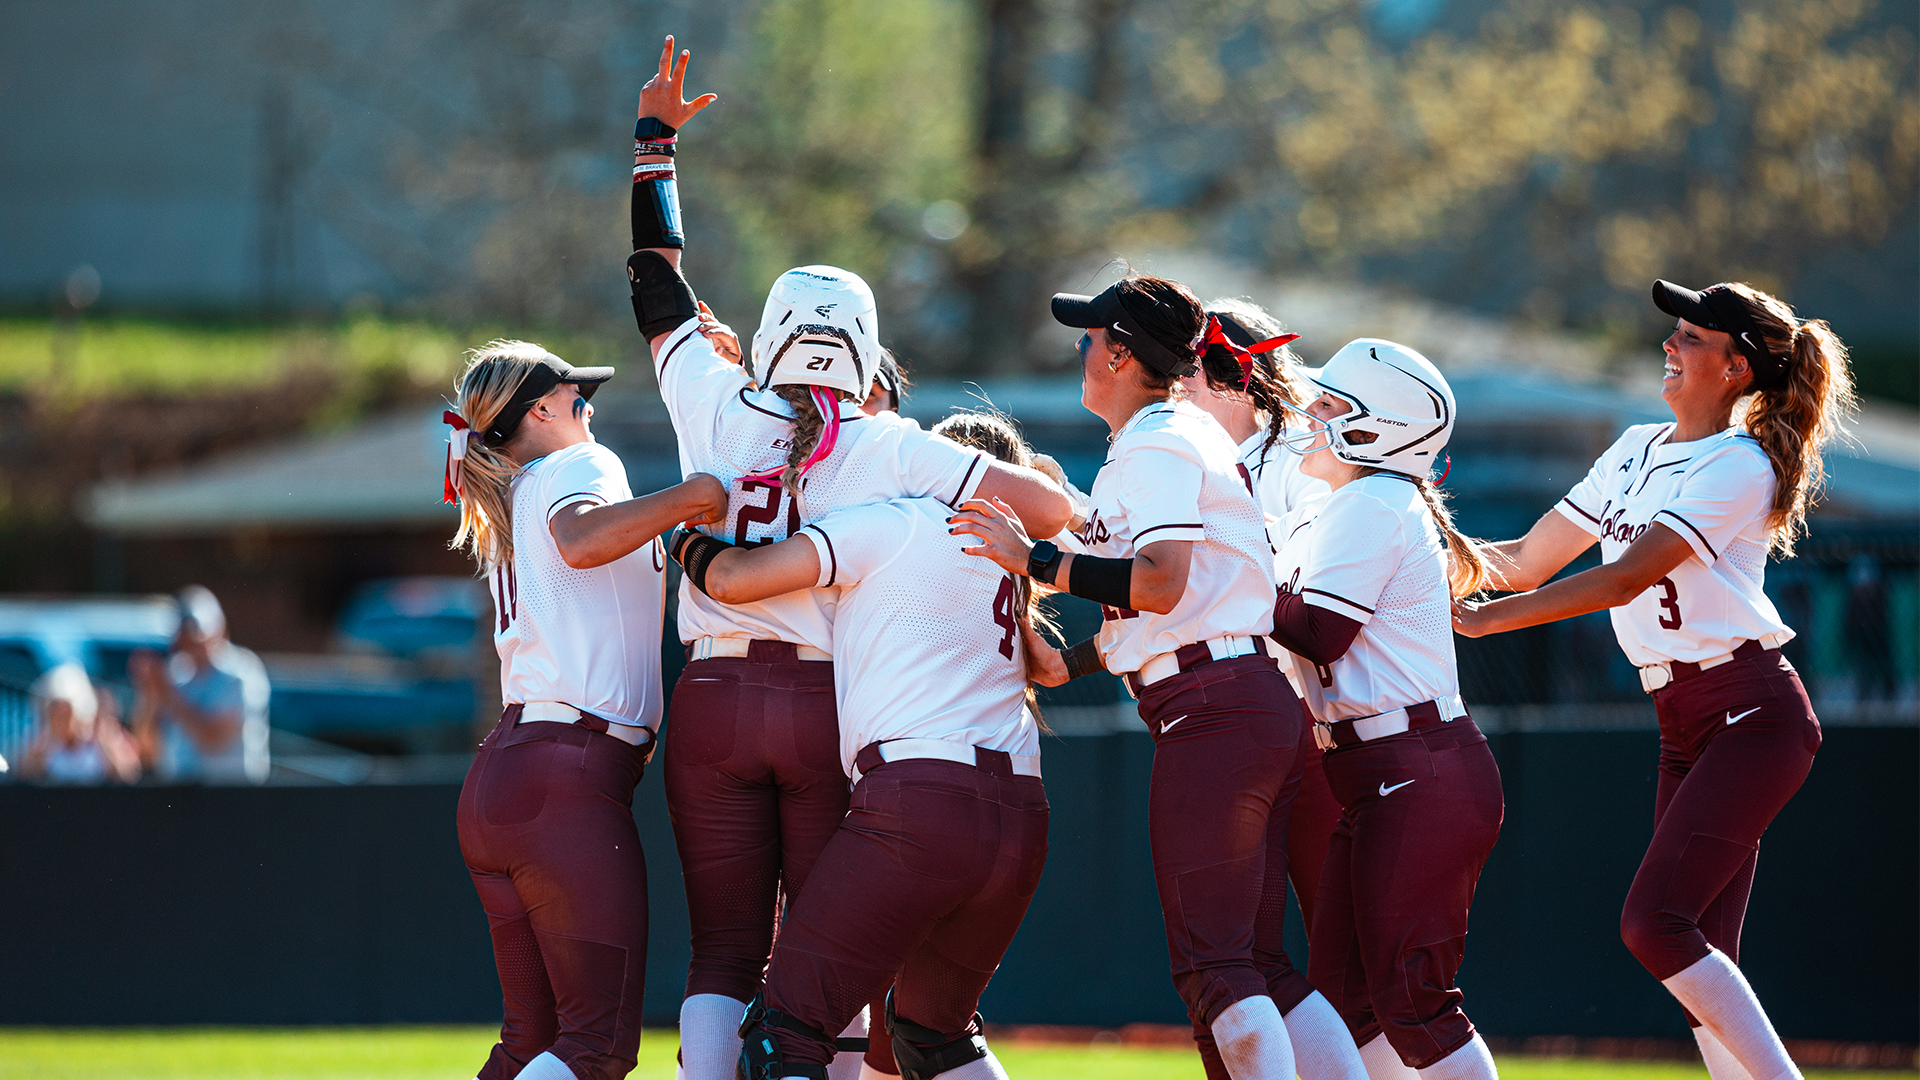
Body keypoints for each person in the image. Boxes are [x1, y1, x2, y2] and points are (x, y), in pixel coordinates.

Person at [621, 38, 1072, 1080]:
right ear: (867, 352)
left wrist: (655, 145)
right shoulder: (894, 443)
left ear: (770, 333)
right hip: (830, 703)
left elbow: (654, 279)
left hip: (714, 695)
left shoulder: (711, 396)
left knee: (725, 952)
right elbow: (1047, 506)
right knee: (833, 965)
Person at [1454, 280, 1855, 1080]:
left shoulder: (1740, 463)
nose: (1669, 345)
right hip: (1684, 716)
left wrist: (1490, 622)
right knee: (1702, 960)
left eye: (1692, 337)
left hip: (1751, 712)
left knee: (1655, 925)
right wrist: (1417, 557)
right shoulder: (1636, 445)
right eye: (1675, 332)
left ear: (1737, 368)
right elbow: (1527, 559)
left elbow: (1625, 577)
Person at [952, 273, 1348, 1080]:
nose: (1081, 348)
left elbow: (1161, 582)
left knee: (1215, 965)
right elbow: (1163, 595)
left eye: (1091, 337)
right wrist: (1068, 633)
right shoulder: (1165, 435)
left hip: (1215, 708)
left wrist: (1035, 559)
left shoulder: (1159, 439)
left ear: (1123, 355)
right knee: (1255, 962)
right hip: (1232, 697)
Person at [669, 411, 1051, 1080]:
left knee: (783, 1033)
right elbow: (1053, 665)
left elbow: (732, 579)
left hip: (920, 801)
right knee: (935, 1037)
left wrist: (681, 538)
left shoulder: (894, 522)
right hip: (1020, 813)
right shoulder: (1012, 565)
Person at [446, 339, 728, 1080]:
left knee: (530, 1042)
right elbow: (579, 539)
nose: (587, 406)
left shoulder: (516, 489)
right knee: (595, 1046)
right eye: (575, 394)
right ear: (540, 410)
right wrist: (693, 495)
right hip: (567, 775)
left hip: (506, 773)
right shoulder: (578, 464)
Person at [1258, 338, 1504, 1080]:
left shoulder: (1373, 500)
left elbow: (1317, 631)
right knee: (1344, 1005)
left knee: (1415, 1002)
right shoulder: (1353, 502)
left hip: (1413, 767)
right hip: (1384, 768)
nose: (1311, 414)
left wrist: (1224, 580)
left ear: (1380, 428)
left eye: (1332, 404)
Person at [1181, 299, 1362, 1079]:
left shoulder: (1301, 457)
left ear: (1235, 371)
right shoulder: (1186, 454)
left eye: (1189, 364)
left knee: (1344, 967)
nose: (1175, 381)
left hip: (1321, 728)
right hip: (1244, 722)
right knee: (1227, 959)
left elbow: (1312, 595)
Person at [129, 586, 270, 784]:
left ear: (219, 628)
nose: (188, 640)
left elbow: (214, 740)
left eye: (195, 630)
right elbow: (147, 750)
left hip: (231, 792)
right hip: (178, 792)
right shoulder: (174, 675)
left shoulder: (240, 674)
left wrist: (169, 696)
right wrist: (149, 696)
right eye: (182, 632)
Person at [19, 662, 140, 783]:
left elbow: (129, 775)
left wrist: (106, 743)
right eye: (56, 707)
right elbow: (22, 773)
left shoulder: (99, 734)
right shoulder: (46, 741)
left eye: (67, 708)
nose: (61, 713)